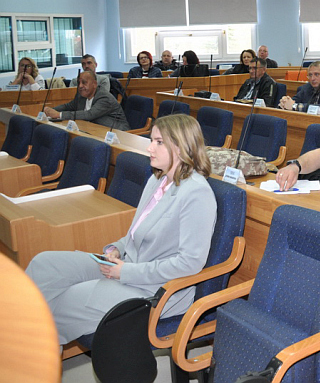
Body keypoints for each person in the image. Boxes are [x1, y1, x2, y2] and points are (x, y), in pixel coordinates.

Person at [26, 114, 216, 346]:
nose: (150, 148)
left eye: (158, 142)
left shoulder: (197, 193)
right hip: (126, 265)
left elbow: (190, 263)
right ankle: (26, 332)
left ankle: (35, 353)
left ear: (180, 146)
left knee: (68, 299)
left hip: (158, 289)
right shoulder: (157, 181)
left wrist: (126, 272)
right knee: (44, 264)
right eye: (151, 140)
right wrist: (117, 247)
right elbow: (137, 233)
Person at [44, 71, 130, 130]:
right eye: (79, 83)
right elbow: (69, 106)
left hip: (117, 133)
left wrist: (59, 114)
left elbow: (89, 114)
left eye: (84, 82)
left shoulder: (104, 97)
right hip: (95, 130)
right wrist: (51, 110)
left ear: (95, 84)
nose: (80, 86)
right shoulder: (82, 95)